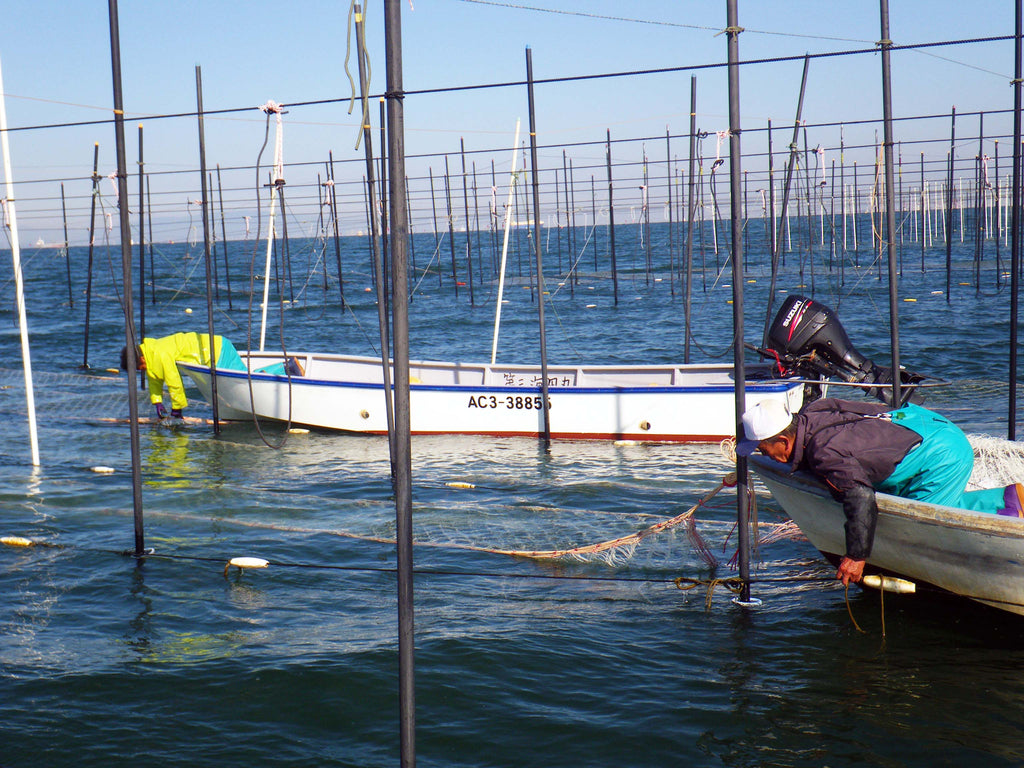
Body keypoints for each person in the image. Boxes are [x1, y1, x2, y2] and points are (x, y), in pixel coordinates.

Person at [737, 397, 1024, 586]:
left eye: (765, 450)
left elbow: (861, 498)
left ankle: (1008, 504)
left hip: (941, 451)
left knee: (920, 526)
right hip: (918, 422)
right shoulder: (814, 411)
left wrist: (857, 555)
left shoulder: (825, 453)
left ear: (785, 442)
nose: (767, 456)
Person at [121, 332, 247, 419]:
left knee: (245, 380)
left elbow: (174, 382)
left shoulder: (160, 354)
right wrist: (157, 402)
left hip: (217, 350)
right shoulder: (151, 352)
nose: (141, 370)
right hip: (213, 348)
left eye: (139, 368)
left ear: (141, 359)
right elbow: (154, 378)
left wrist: (176, 410)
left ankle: (266, 373)